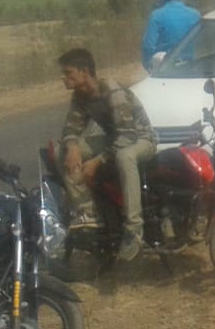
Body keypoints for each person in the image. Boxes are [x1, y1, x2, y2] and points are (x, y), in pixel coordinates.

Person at [56, 48, 158, 261]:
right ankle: (89, 213)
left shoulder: (112, 91)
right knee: (61, 151)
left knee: (124, 156)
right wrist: (72, 146)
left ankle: (134, 228)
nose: (63, 78)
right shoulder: (80, 96)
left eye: (68, 73)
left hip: (141, 139)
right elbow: (71, 128)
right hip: (114, 139)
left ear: (85, 72)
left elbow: (127, 135)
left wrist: (97, 161)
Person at [141, 0, 200, 70]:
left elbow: (149, 46)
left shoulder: (156, 15)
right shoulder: (195, 14)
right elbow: (201, 41)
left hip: (167, 66)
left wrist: (147, 64)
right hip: (192, 64)